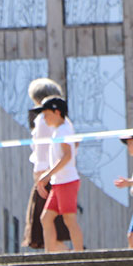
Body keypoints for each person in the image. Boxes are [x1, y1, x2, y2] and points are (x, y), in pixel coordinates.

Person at [22, 78, 70, 250]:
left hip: (47, 176)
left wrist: (39, 176)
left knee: (46, 226)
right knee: (52, 227)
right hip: (58, 175)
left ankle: (66, 262)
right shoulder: (63, 121)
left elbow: (41, 151)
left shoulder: (43, 120)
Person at [33, 96, 84, 252]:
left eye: (47, 114)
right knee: (46, 218)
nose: (44, 118)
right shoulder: (60, 131)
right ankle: (49, 255)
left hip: (67, 181)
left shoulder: (63, 130)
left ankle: (80, 254)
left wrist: (48, 174)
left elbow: (67, 155)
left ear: (57, 112)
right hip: (58, 182)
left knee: (69, 219)